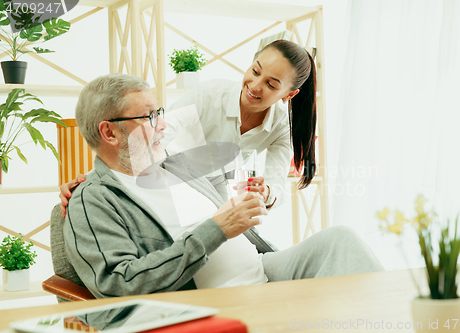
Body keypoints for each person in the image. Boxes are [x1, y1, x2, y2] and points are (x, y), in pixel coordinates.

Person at [64, 73, 383, 298]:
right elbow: (119, 282)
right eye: (149, 117)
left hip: (266, 271)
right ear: (109, 133)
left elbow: (231, 162)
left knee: (342, 240)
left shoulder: (178, 162)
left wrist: (255, 196)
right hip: (216, 302)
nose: (163, 123)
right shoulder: (93, 201)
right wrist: (216, 228)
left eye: (159, 112)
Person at [59, 39, 318, 215]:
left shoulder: (282, 126)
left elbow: (276, 183)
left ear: (289, 95)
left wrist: (267, 191)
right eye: (255, 70)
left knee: (249, 244)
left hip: (219, 189)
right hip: (171, 174)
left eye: (272, 84)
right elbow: (155, 134)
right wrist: (91, 180)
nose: (255, 85)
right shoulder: (209, 95)